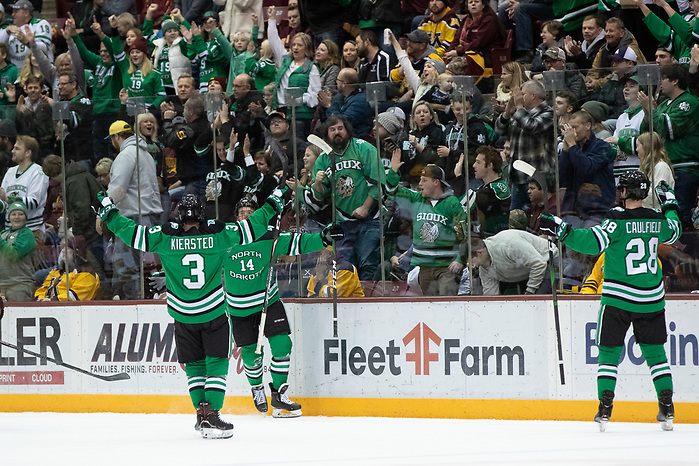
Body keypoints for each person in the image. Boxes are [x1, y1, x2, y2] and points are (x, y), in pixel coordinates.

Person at [98, 188, 287, 438]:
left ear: (178, 216)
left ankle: (201, 415)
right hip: (212, 313)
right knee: (217, 364)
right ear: (202, 215)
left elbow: (132, 233)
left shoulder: (164, 237)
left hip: (183, 317)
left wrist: (109, 213)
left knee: (195, 366)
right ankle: (213, 415)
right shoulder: (220, 235)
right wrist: (273, 202)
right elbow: (252, 227)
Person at [539, 172, 681, 431]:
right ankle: (667, 407)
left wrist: (561, 229)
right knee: (656, 355)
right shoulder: (656, 219)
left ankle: (605, 408)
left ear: (625, 192)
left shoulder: (615, 221)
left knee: (608, 353)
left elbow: (592, 243)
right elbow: (674, 230)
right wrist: (670, 203)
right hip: (651, 299)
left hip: (618, 298)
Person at [224, 198, 342, 417]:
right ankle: (257, 387)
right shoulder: (225, 238)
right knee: (251, 353)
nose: (247, 216)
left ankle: (279, 395)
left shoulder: (270, 236)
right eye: (242, 213)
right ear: (235, 217)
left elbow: (299, 242)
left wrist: (323, 237)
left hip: (268, 300)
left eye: (251, 212)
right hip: (239, 307)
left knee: (282, 344)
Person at [309, 115, 385, 280]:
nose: (337, 132)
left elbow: (378, 182)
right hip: (342, 221)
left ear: (347, 130)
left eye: (340, 128)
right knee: (344, 266)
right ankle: (349, 301)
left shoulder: (363, 148)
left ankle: (367, 300)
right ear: (327, 134)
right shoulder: (323, 160)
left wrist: (365, 207)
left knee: (367, 263)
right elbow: (320, 196)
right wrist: (318, 184)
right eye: (332, 130)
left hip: (370, 218)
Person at [386, 150, 466, 296]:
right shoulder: (416, 198)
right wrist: (393, 171)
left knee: (447, 305)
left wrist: (460, 260)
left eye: (424, 180)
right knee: (430, 306)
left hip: (447, 267)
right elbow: (392, 191)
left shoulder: (452, 203)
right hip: (424, 267)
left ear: (436, 182)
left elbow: (465, 232)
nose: (420, 183)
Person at [105, 120, 163, 300]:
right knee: (138, 266)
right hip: (149, 215)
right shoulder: (145, 154)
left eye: (112, 138)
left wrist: (104, 212)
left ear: (116, 136)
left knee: (127, 266)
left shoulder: (126, 155)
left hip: (132, 217)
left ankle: (134, 304)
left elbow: (117, 189)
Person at [639, 64, 699, 228]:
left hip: (684, 167)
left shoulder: (689, 102)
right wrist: (647, 114)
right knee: (665, 213)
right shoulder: (665, 105)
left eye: (663, 79)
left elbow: (669, 129)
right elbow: (648, 135)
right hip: (665, 166)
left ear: (675, 81)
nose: (660, 83)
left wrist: (653, 110)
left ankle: (686, 252)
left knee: (680, 215)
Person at [495, 79, 555, 211]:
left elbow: (531, 126)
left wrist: (519, 108)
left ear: (533, 95)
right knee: (515, 219)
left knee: (537, 218)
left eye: (522, 94)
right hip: (517, 178)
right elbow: (499, 131)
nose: (518, 98)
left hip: (536, 180)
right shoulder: (519, 113)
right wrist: (507, 112)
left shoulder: (548, 113)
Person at [559, 110, 615, 224]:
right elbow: (561, 179)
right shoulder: (573, 148)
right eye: (570, 129)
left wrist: (572, 146)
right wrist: (565, 151)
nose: (573, 132)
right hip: (573, 209)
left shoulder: (602, 147)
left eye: (575, 127)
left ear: (588, 126)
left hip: (597, 209)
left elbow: (587, 168)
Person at [470, 230, 556, 295]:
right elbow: (491, 297)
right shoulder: (484, 268)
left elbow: (539, 263)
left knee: (536, 305)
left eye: (471, 262)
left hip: (547, 262)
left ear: (480, 252)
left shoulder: (508, 244)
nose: (472, 266)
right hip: (524, 274)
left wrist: (530, 292)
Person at [0, 135, 48, 233]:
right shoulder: (10, 172)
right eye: (13, 148)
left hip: (32, 231)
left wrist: (8, 199)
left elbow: (33, 202)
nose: (12, 151)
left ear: (28, 153)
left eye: (17, 149)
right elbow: (4, 205)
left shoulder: (38, 172)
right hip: (9, 231)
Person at [34, 235, 100, 301]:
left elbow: (73, 298)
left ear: (76, 253)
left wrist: (52, 301)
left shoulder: (87, 275)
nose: (63, 250)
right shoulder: (56, 271)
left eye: (68, 248)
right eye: (63, 248)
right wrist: (40, 299)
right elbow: (43, 288)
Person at [317, 67, 373, 139]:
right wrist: (323, 105)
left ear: (343, 83)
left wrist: (328, 106)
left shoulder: (360, 101)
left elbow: (343, 123)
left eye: (337, 80)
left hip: (356, 139)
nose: (336, 82)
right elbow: (326, 121)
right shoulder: (339, 97)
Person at [0, 200, 36, 301]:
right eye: (13, 214)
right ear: (9, 217)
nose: (16, 217)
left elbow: (13, 254)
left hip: (19, 284)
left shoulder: (27, 234)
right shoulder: (3, 234)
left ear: (25, 218)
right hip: (1, 284)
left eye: (20, 214)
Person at [0, 0, 52, 68]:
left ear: (26, 13)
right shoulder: (7, 29)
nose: (12, 14)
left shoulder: (40, 24)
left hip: (40, 70)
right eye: (12, 11)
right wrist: (6, 33)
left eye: (16, 11)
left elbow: (43, 48)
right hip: (16, 73)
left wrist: (28, 42)